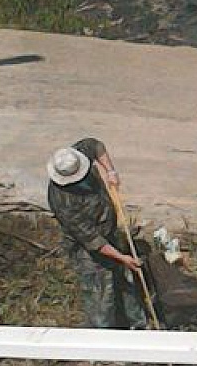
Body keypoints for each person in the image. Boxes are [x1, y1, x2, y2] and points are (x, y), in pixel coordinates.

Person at [47, 138, 147, 329]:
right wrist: (121, 257)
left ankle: (137, 326)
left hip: (109, 234)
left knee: (125, 282)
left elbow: (96, 145)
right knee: (100, 295)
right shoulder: (63, 202)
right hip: (88, 251)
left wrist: (111, 171)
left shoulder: (76, 156)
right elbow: (93, 240)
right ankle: (103, 341)